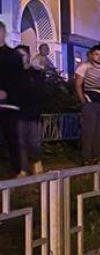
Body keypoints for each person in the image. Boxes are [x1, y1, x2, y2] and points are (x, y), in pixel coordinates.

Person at [17, 47, 56, 175]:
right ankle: (23, 168)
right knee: (21, 141)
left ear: (28, 57)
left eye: (22, 55)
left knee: (34, 140)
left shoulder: (35, 73)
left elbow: (41, 92)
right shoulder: (12, 74)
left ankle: (37, 161)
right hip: (17, 113)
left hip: (33, 113)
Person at [0, 22, 24, 175]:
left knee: (11, 137)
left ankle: (16, 169)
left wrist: (6, 92)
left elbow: (18, 80)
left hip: (9, 105)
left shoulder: (13, 56)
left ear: (4, 33)